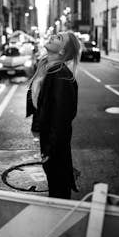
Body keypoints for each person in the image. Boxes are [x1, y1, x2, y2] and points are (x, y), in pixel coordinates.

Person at [26, 31, 81, 199]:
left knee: (59, 194)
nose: (53, 37)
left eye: (59, 38)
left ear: (62, 51)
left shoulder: (60, 76)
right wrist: (37, 128)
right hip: (50, 143)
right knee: (56, 189)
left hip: (56, 148)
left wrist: (49, 150)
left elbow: (60, 120)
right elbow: (42, 105)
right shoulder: (48, 69)